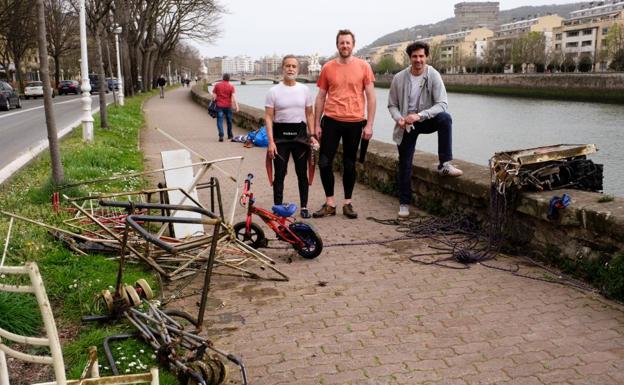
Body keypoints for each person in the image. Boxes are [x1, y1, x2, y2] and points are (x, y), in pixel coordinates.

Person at [388, 41, 463, 219]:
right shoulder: (399, 78)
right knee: (405, 163)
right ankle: (404, 203)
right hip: (406, 125)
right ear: (410, 58)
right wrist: (398, 117)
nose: (418, 60)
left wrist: (420, 115)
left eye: (421, 56)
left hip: (424, 119)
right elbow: (392, 104)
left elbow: (442, 104)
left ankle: (445, 164)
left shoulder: (433, 75)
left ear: (426, 57)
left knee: (445, 118)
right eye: (415, 56)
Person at [312, 29, 376, 219]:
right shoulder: (328, 68)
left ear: (353, 45)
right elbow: (321, 97)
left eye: (348, 43)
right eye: (342, 43)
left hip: (355, 122)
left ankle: (347, 203)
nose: (345, 46)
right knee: (324, 163)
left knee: (349, 165)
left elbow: (371, 98)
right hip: (331, 121)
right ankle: (330, 203)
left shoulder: (364, 66)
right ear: (337, 45)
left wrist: (369, 124)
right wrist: (316, 124)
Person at [265, 55, 318, 219]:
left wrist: (313, 136)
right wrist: (271, 142)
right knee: (279, 174)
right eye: (287, 66)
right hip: (280, 138)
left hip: (300, 138)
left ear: (298, 69)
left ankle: (304, 207)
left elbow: (309, 114)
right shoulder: (273, 91)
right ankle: (278, 208)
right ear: (283, 68)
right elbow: (268, 117)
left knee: (302, 174)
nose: (291, 69)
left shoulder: (304, 90)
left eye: (294, 66)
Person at [212, 73, 239, 142]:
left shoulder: (217, 85)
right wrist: (236, 106)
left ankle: (221, 135)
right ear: (229, 79)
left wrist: (214, 101)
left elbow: (214, 96)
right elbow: (233, 98)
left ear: (222, 78)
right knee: (229, 121)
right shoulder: (231, 86)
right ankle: (230, 134)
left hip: (219, 105)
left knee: (219, 121)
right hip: (228, 106)